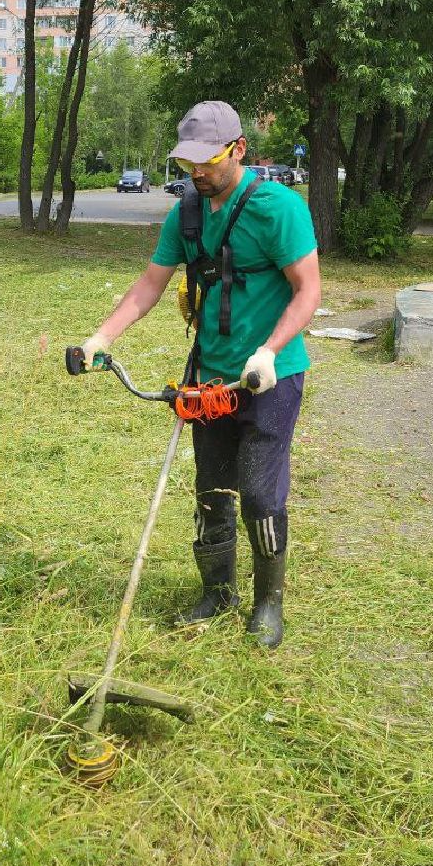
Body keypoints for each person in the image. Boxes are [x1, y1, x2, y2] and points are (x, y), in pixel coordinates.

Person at [79, 101, 321, 648]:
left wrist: (269, 350)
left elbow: (309, 290)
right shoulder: (186, 212)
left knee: (260, 494)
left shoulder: (279, 208)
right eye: (188, 162)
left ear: (238, 150)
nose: (197, 172)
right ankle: (217, 592)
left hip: (268, 375)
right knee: (212, 491)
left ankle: (267, 604)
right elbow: (150, 284)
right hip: (209, 380)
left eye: (207, 161)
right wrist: (102, 338)